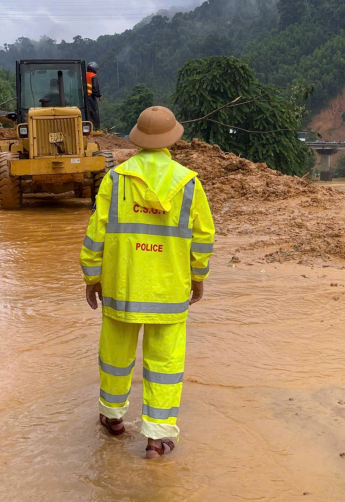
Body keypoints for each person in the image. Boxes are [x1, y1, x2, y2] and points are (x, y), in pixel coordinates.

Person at [79, 106, 215, 458]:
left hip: (123, 287)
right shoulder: (188, 182)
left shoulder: (117, 178)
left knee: (115, 356)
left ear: (138, 138)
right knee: (166, 364)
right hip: (169, 292)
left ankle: (112, 417)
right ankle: (156, 438)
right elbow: (203, 239)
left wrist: (92, 277)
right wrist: (198, 278)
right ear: (173, 139)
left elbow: (96, 233)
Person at [86, 62, 102, 131]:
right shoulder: (93, 76)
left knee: (86, 113)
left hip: (83, 98)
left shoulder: (83, 74)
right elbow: (95, 88)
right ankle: (95, 128)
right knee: (94, 112)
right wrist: (99, 96)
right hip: (90, 97)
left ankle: (87, 127)